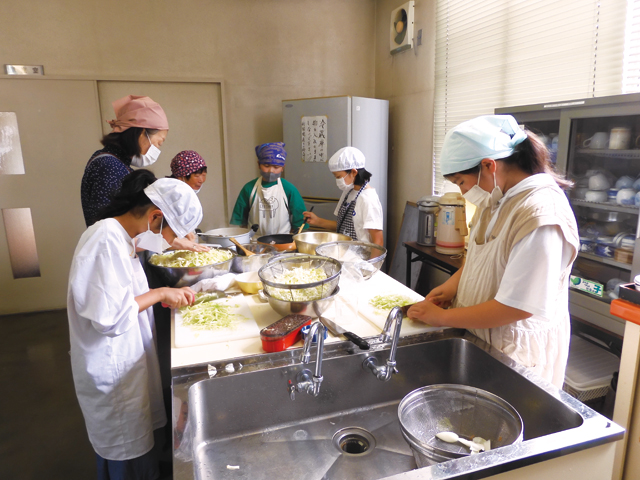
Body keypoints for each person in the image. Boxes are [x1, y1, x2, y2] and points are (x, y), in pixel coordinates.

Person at [407, 115, 579, 388]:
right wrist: (452, 286)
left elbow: (518, 306)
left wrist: (441, 318)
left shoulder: (541, 215)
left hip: (516, 351)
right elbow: (480, 257)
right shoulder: (497, 199)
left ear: (489, 166)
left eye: (461, 182)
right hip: (482, 338)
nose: (463, 192)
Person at [68, 170, 201, 479]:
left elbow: (123, 295)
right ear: (156, 217)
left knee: (140, 448)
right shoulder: (104, 239)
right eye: (168, 235)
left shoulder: (120, 237)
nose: (167, 243)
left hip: (127, 361)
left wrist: (158, 298)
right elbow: (110, 318)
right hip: (112, 371)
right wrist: (159, 293)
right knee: (126, 458)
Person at [81, 94, 169, 227]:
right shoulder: (109, 166)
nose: (157, 149)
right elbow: (110, 223)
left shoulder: (115, 163)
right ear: (141, 134)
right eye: (158, 143)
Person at [303, 147, 384, 246]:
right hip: (345, 253)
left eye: (338, 177)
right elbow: (342, 226)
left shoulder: (368, 199)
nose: (337, 181)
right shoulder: (348, 191)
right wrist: (317, 221)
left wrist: (370, 262)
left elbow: (378, 241)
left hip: (361, 258)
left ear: (354, 172)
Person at [230, 142, 307, 237]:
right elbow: (240, 219)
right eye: (266, 166)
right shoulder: (249, 188)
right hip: (255, 241)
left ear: (283, 168)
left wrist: (293, 236)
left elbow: (299, 220)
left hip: (283, 241)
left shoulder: (289, 189)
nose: (271, 171)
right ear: (259, 165)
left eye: (276, 167)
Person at [167, 150, 210, 252]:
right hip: (171, 247)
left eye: (203, 175)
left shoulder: (186, 193)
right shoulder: (173, 193)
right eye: (197, 176)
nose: (201, 180)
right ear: (180, 176)